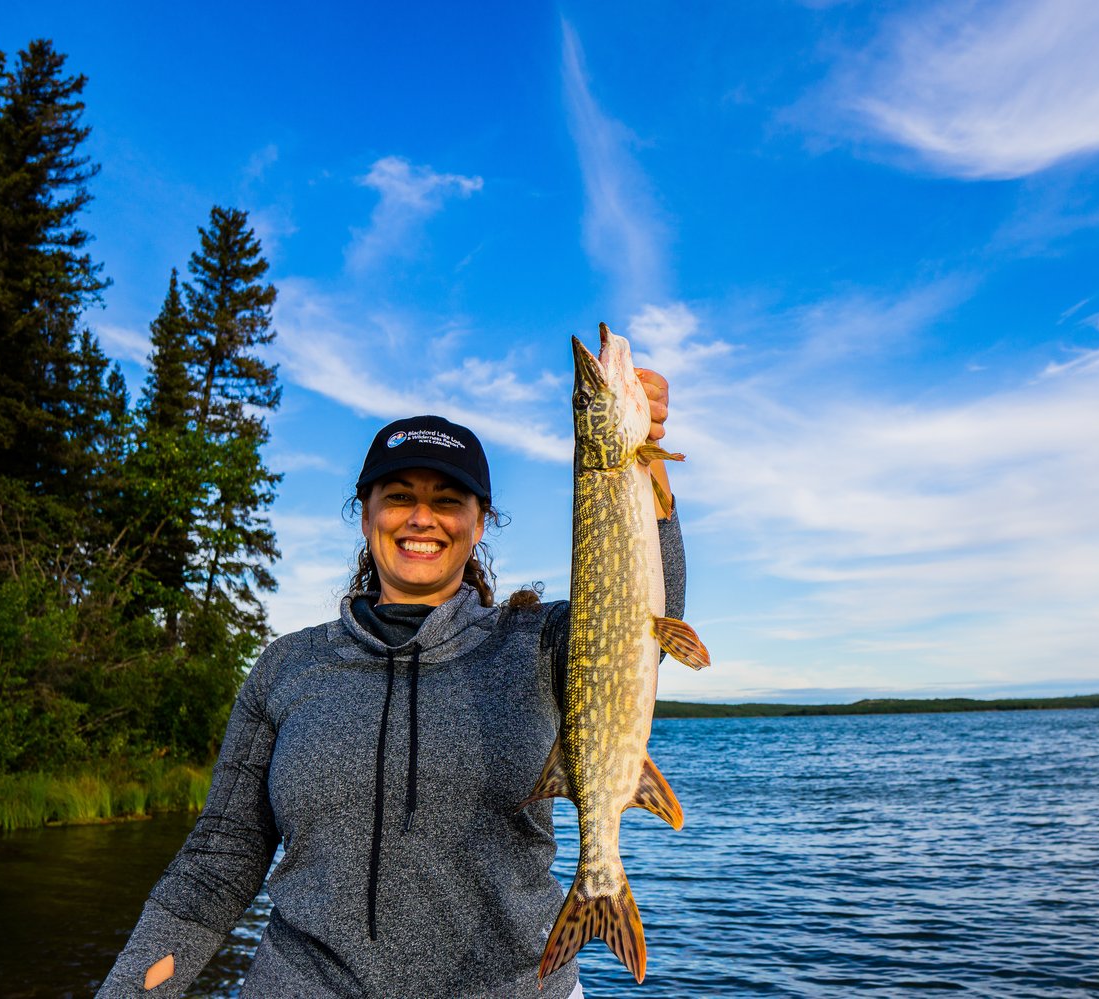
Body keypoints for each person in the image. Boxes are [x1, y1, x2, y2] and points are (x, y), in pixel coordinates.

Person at [96, 371, 686, 998]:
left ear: (480, 522)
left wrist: (643, 467)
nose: (422, 518)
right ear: (367, 515)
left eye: (449, 499)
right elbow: (221, 856)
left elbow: (646, 612)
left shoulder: (536, 642)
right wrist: (132, 990)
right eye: (400, 496)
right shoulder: (287, 666)